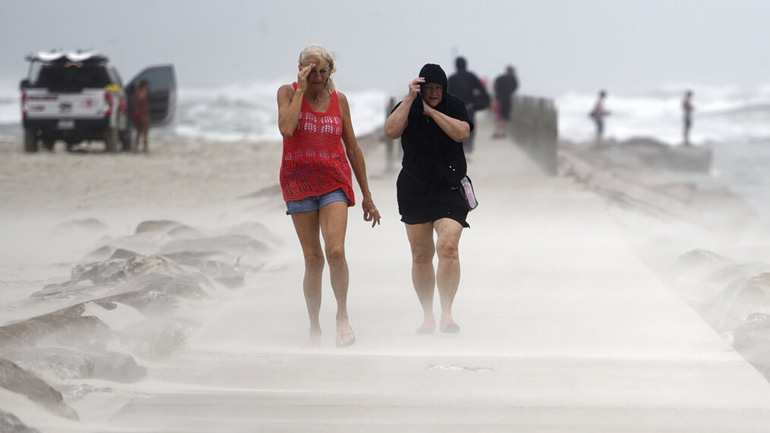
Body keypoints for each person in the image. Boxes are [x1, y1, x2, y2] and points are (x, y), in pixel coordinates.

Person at [277, 45, 381, 349]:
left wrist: (367, 196)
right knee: (313, 259)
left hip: (334, 182)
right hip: (298, 183)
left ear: (330, 71)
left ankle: (342, 317)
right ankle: (313, 328)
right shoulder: (286, 92)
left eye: (323, 71)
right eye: (311, 71)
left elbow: (353, 149)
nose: (318, 77)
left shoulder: (340, 100)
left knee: (335, 251)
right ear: (300, 69)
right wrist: (300, 90)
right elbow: (286, 128)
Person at [385, 63, 473, 335]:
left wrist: (431, 112)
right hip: (415, 189)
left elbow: (462, 133)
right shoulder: (407, 105)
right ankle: (427, 315)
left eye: (438, 88)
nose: (434, 92)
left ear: (444, 89)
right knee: (421, 254)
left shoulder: (454, 105)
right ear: (420, 87)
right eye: (429, 88)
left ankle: (447, 313)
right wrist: (411, 99)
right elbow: (391, 131)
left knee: (448, 247)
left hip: (449, 189)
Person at [447, 56, 488, 155]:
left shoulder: (452, 78)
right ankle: (468, 150)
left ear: (456, 65)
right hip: (470, 107)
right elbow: (483, 91)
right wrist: (477, 103)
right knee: (470, 128)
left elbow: (447, 94)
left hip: (456, 108)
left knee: (456, 127)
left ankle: (459, 149)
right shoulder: (471, 77)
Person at [492, 65, 519, 139]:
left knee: (498, 117)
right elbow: (515, 88)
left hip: (499, 99)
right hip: (507, 100)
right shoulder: (513, 79)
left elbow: (495, 85)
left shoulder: (500, 78)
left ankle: (496, 132)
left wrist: (497, 93)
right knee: (505, 117)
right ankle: (503, 133)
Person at [132, 80, 151, 153]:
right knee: (145, 133)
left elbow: (134, 103)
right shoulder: (144, 92)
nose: (149, 87)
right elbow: (142, 99)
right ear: (144, 86)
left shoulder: (136, 93)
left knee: (138, 132)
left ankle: (136, 147)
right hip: (144, 114)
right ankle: (145, 148)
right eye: (147, 85)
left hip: (136, 114)